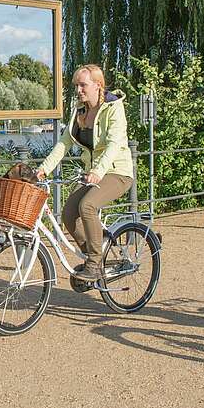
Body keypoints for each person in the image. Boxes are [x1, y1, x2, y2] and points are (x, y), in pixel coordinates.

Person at [36, 64, 135, 285]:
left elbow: (113, 144)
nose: (78, 90)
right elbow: (64, 143)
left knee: (87, 206)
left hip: (117, 172)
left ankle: (94, 263)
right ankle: (97, 254)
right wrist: (43, 169)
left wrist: (98, 172)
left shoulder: (113, 108)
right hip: (93, 173)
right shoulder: (79, 111)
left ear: (97, 85)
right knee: (69, 214)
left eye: (83, 85)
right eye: (76, 86)